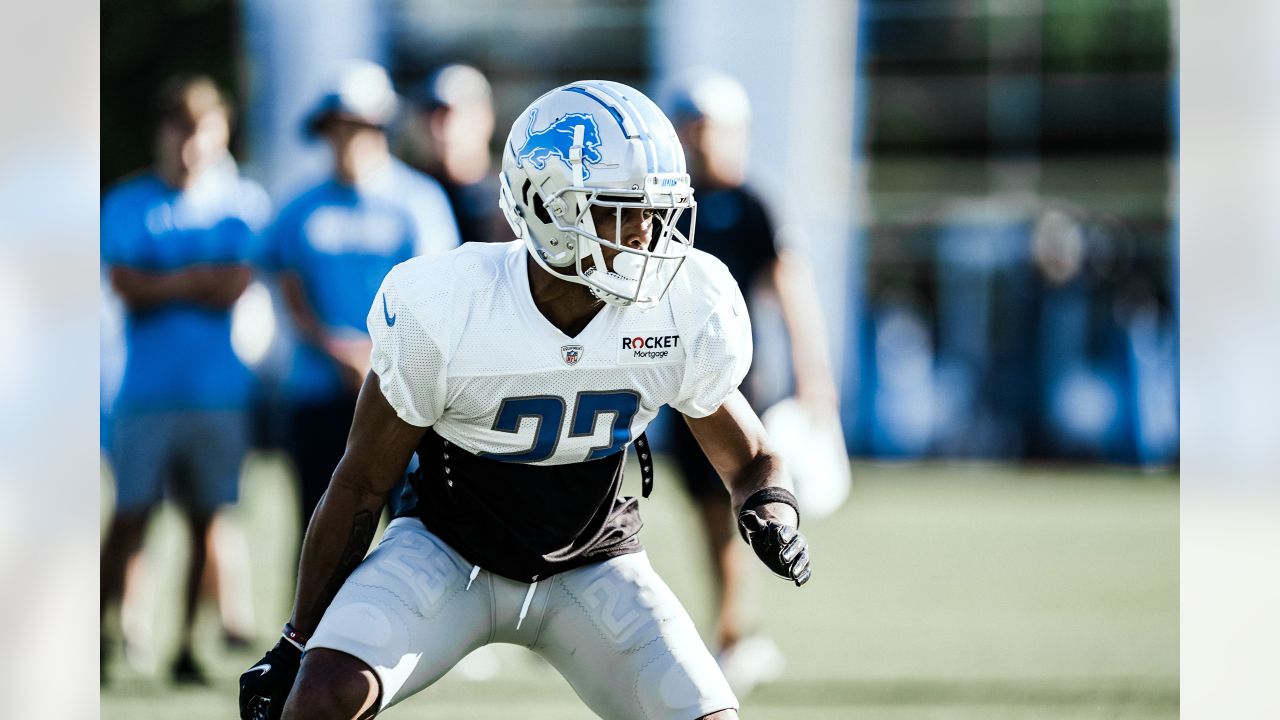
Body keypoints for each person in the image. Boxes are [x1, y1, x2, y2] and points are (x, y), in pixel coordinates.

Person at [239, 80, 813, 720]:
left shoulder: (680, 305)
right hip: (445, 555)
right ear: (548, 207)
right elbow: (362, 483)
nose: (648, 233)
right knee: (319, 698)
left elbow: (751, 457)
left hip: (595, 565)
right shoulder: (451, 305)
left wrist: (773, 508)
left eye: (656, 209)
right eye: (622, 207)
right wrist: (295, 645)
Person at [663, 69, 840, 693]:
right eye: (694, 127)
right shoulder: (669, 203)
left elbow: (791, 289)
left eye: (712, 128)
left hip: (738, 383)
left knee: (740, 503)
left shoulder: (756, 202)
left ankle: (736, 632)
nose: (702, 140)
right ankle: (737, 630)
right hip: (674, 383)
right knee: (706, 514)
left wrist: (814, 374)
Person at [100, 74, 271, 684]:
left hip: (218, 392)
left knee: (207, 517)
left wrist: (166, 283)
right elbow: (126, 286)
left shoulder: (243, 203)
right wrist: (196, 282)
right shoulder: (128, 203)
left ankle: (186, 645)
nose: (192, 145)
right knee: (131, 517)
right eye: (182, 130)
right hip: (145, 392)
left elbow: (236, 283)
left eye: (204, 131)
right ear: (163, 133)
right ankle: (102, 634)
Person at [267, 59, 460, 531]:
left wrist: (377, 356)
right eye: (337, 127)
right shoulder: (300, 208)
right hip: (319, 391)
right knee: (321, 530)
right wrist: (333, 346)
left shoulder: (419, 201)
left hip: (405, 394)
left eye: (358, 126)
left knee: (417, 534)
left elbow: (436, 293)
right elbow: (289, 288)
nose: (346, 138)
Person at [405, 63, 504, 244]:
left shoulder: (514, 194)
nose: (440, 129)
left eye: (451, 115)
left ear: (485, 118)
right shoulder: (408, 195)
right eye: (431, 115)